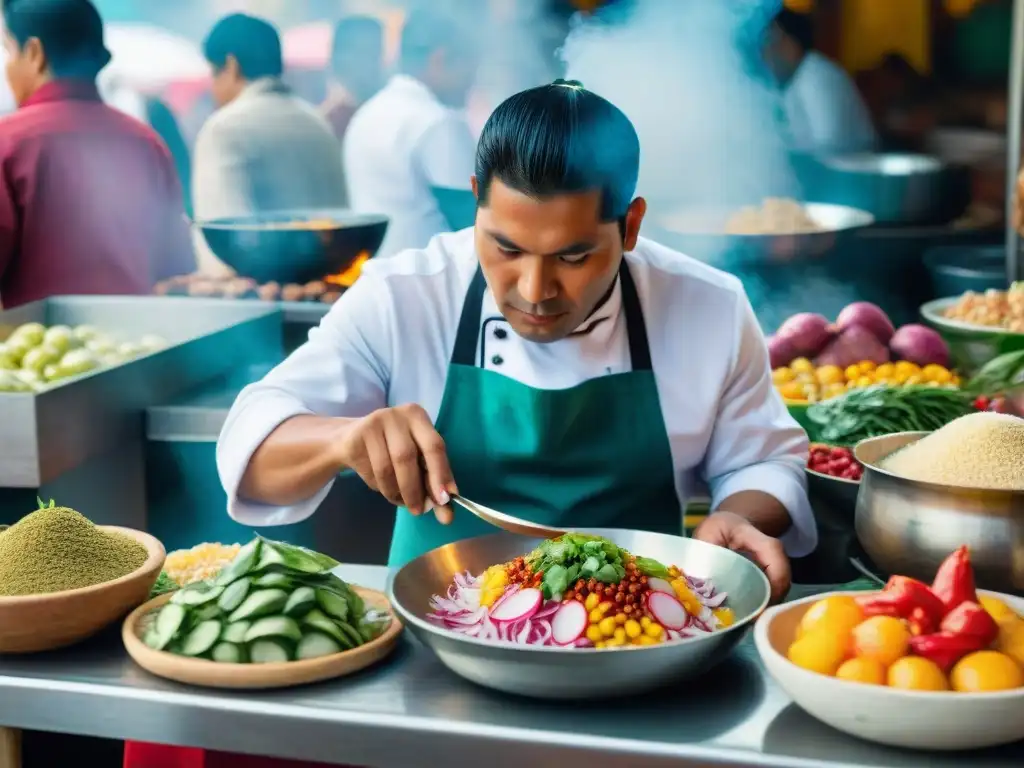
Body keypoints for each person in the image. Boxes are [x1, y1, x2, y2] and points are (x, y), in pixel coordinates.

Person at [0, 0, 193, 308]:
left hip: (38, 352)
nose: (8, 67)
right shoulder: (146, 143)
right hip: (143, 346)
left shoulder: (7, 142)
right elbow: (177, 269)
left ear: (34, 53)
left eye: (9, 50)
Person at [191, 13, 348, 276]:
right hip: (331, 292)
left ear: (231, 66)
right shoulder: (317, 122)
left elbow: (222, 251)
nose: (213, 89)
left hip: (266, 304)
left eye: (213, 74)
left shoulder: (225, 128)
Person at [342, 9, 479, 258]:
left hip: (377, 279)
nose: (472, 82)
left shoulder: (369, 113)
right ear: (440, 59)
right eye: (470, 68)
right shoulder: (436, 121)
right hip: (431, 286)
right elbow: (476, 221)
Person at [765, 9, 877, 155]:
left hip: (855, 169)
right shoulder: (795, 80)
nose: (766, 53)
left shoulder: (816, 76)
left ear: (790, 43)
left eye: (771, 41)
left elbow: (829, 145)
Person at [320, 15, 384, 143]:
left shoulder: (388, 114)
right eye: (364, 52)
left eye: (376, 52)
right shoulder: (329, 121)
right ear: (337, 58)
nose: (373, 62)